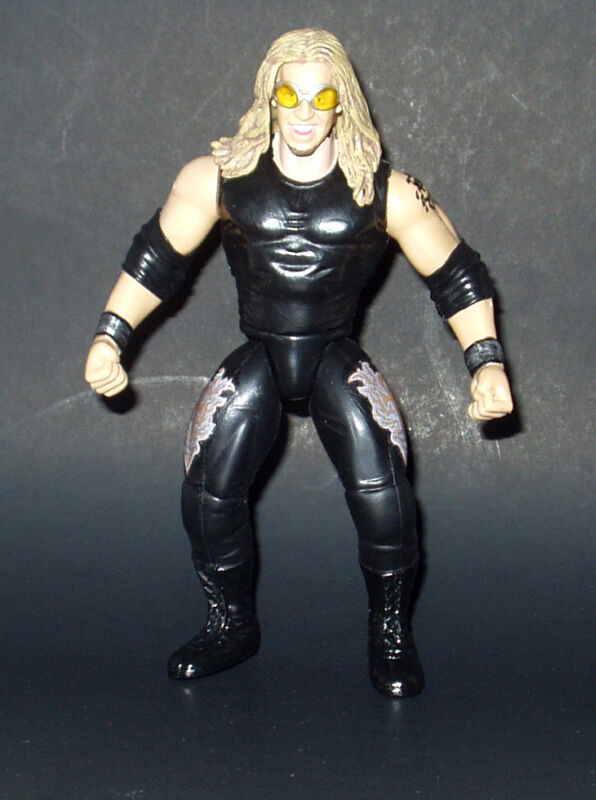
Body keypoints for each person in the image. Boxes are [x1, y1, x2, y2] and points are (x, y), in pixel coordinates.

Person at [85, 28, 513, 697]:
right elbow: (157, 259)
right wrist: (110, 337)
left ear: (344, 102)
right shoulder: (218, 178)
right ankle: (231, 624)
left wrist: (485, 362)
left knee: (386, 501)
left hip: (333, 356)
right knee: (206, 492)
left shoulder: (386, 190)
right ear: (269, 97)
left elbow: (456, 274)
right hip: (259, 351)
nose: (306, 112)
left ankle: (389, 631)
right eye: (290, 95)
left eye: (322, 97)